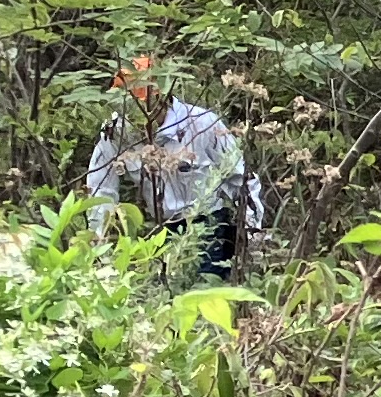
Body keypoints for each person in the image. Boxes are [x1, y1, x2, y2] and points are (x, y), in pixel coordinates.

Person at [85, 60, 259, 280]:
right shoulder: (115, 133)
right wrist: (98, 248)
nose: (131, 110)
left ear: (159, 96)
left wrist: (251, 234)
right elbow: (100, 191)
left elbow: (242, 179)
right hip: (161, 230)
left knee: (205, 289)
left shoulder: (202, 124)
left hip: (209, 224)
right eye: (125, 102)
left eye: (137, 101)